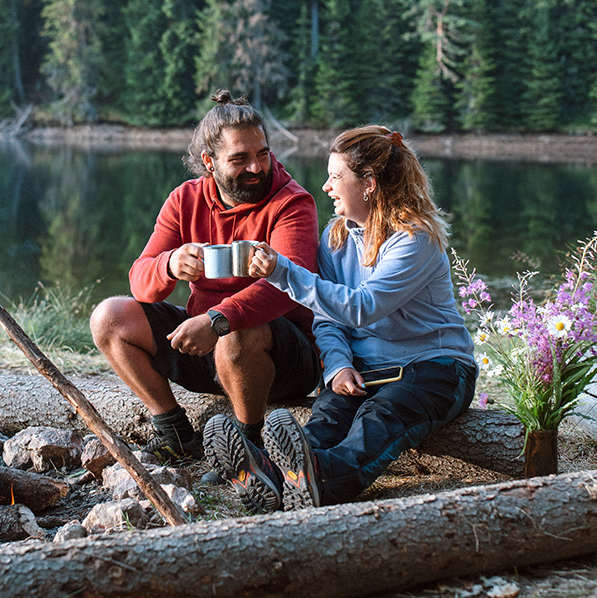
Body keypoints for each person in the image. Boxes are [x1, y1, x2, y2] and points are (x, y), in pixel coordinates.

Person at [202, 125, 477, 512]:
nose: (327, 186)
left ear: (368, 183)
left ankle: (315, 478)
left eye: (336, 177)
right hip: (363, 369)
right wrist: (338, 364)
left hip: (433, 368)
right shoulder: (337, 237)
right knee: (327, 418)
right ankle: (267, 472)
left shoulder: (415, 240)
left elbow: (362, 307)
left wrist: (283, 271)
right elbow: (328, 318)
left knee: (379, 419)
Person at [90, 90, 321, 470]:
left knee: (237, 330)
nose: (256, 167)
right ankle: (174, 432)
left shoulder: (292, 203)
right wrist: (169, 264)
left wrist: (217, 319)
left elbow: (290, 286)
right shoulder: (185, 199)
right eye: (240, 158)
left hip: (283, 357)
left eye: (262, 153)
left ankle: (250, 451)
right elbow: (140, 280)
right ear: (209, 162)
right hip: (207, 346)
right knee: (109, 317)